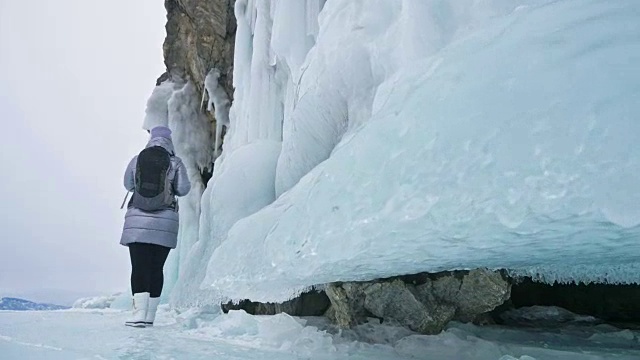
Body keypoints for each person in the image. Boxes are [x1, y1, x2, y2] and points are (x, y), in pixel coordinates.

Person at [120, 126, 190, 328]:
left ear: (151, 139)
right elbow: (183, 189)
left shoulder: (137, 159)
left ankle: (138, 314)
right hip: (165, 222)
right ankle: (150, 316)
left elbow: (127, 184)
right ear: (170, 141)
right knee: (156, 268)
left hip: (137, 222)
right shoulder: (176, 162)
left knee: (139, 267)